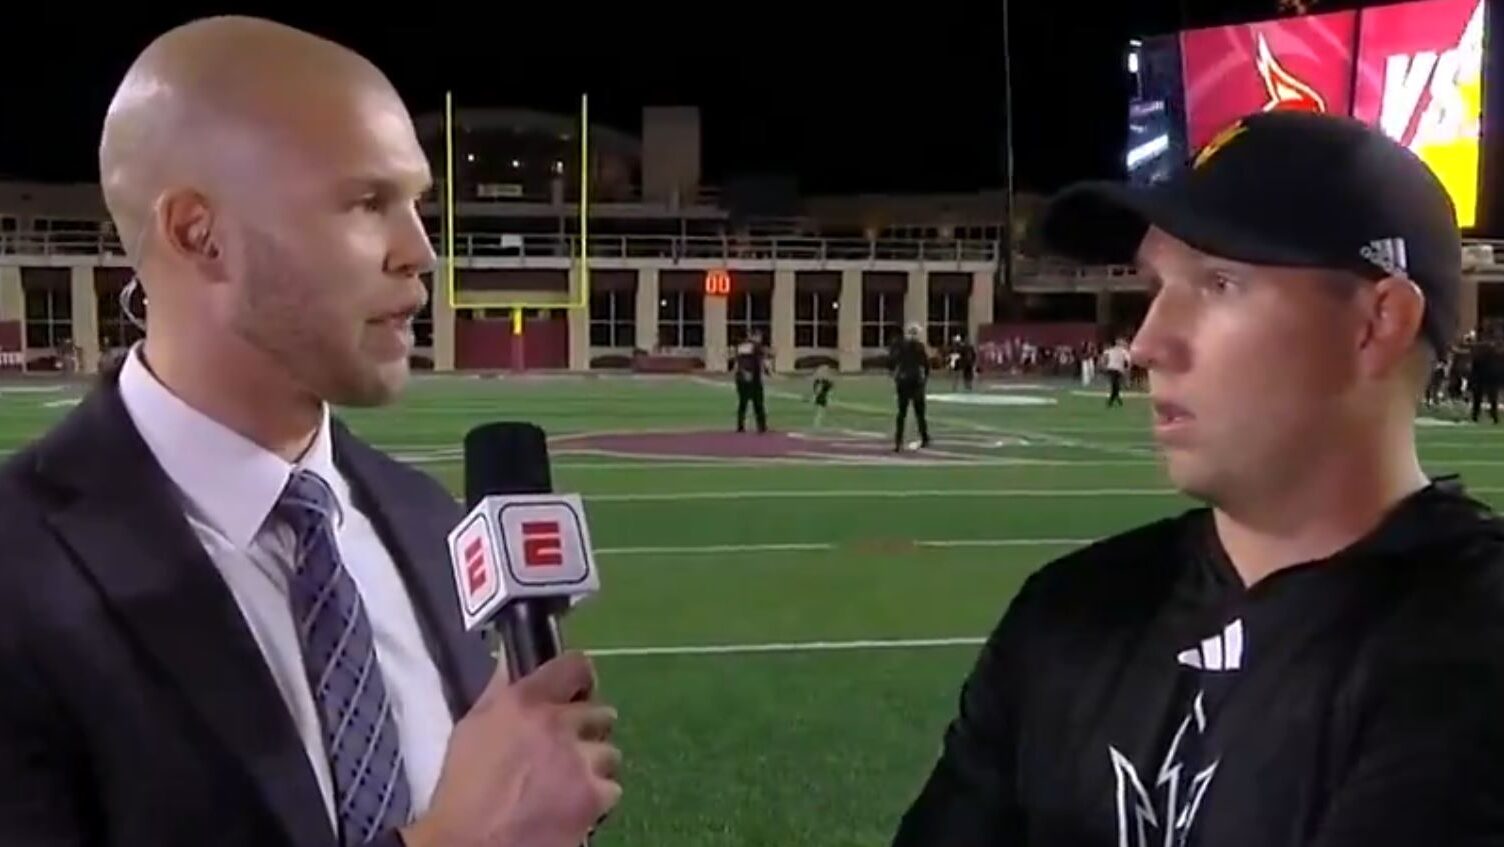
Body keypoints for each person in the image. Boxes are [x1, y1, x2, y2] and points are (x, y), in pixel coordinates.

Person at [0, 18, 619, 847]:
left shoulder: (429, 520)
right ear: (199, 232)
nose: (422, 253)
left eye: (417, 206)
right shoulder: (18, 570)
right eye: (367, 203)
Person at [892, 111, 1504, 847]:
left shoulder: (1471, 646)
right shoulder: (1070, 612)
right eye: (1156, 285)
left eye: (1219, 283)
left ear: (1377, 322)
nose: (1148, 342)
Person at [890, 323, 931, 451]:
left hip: (904, 381)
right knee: (919, 413)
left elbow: (892, 361)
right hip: (915, 382)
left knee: (902, 413)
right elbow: (926, 365)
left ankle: (898, 441)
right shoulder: (919, 347)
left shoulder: (901, 346)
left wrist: (896, 377)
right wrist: (924, 380)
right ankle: (924, 438)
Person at [733, 330, 769, 433]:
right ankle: (761, 426)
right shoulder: (756, 347)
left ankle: (740, 426)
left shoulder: (740, 347)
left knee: (742, 403)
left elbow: (738, 362)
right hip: (753, 379)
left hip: (741, 378)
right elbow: (761, 361)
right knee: (758, 403)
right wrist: (767, 371)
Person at [1470, 329, 1499, 424]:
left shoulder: (1482, 350)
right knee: (1488, 398)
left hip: (1487, 377)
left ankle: (1479, 416)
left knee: (1487, 398)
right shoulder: (1490, 350)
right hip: (1486, 377)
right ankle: (1491, 416)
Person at [1102, 336, 1131, 407]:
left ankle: (1113, 401)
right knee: (1116, 386)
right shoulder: (1123, 351)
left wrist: (1104, 365)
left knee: (1115, 386)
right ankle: (1115, 400)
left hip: (1111, 369)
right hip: (1118, 370)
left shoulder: (1110, 350)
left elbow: (1104, 357)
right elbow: (1128, 360)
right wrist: (1127, 368)